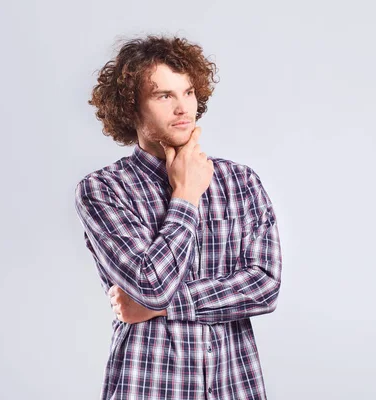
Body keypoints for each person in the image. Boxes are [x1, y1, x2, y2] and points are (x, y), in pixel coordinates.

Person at [74, 35, 282, 400]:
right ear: (130, 108)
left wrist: (161, 308)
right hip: (148, 385)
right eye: (164, 96)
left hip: (233, 384)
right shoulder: (102, 190)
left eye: (187, 92)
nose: (183, 107)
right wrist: (185, 195)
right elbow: (150, 283)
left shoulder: (241, 181)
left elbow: (264, 286)